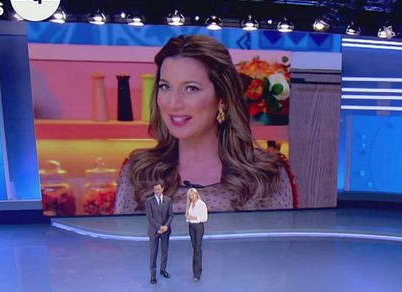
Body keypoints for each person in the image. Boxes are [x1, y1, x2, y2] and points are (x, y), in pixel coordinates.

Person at [115, 35, 297, 214]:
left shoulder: (265, 176)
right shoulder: (138, 174)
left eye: (191, 89)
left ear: (222, 99)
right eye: (165, 87)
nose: (173, 103)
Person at [145, 182, 173, 284]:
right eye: (155, 189)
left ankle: (163, 270)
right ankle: (153, 274)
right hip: (154, 231)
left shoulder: (168, 200)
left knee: (164, 251)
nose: (156, 191)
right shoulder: (149, 201)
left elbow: (171, 215)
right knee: (153, 253)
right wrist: (159, 227)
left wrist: (166, 226)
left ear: (162, 189)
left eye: (158, 189)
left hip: (166, 231)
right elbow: (150, 217)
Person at [185, 187, 208, 282]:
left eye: (193, 195)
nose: (192, 197)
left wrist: (195, 218)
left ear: (197, 194)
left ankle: (197, 273)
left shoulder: (201, 204)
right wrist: (188, 217)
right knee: (195, 248)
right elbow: (187, 217)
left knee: (197, 248)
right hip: (191, 227)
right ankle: (196, 269)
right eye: (190, 195)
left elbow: (205, 218)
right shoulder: (189, 205)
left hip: (199, 227)